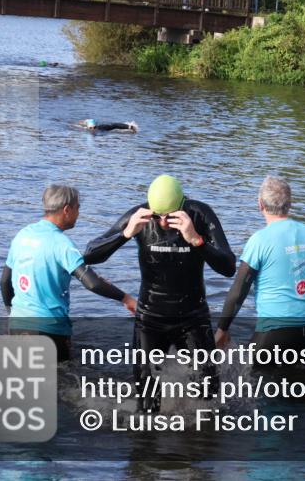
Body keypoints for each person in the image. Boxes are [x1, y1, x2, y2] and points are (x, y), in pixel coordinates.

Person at [84, 175, 237, 411]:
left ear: (182, 205)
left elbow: (228, 267)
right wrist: (126, 234)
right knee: (146, 402)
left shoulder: (199, 214)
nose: (164, 222)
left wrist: (196, 240)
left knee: (209, 395)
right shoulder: (140, 214)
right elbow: (90, 254)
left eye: (171, 216)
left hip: (193, 317)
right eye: (158, 215)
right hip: (150, 320)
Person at [215, 176, 305, 375]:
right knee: (298, 392)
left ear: (260, 204)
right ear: (290, 204)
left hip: (272, 330)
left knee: (249, 388)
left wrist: (222, 328)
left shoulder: (259, 241)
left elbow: (239, 290)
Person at [1, 185, 137, 362]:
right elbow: (92, 283)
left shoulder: (22, 235)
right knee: (60, 382)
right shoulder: (62, 243)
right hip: (49, 330)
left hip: (18, 325)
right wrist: (126, 298)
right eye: (78, 207)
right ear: (67, 209)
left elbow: (5, 281)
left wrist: (12, 313)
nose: (78, 213)